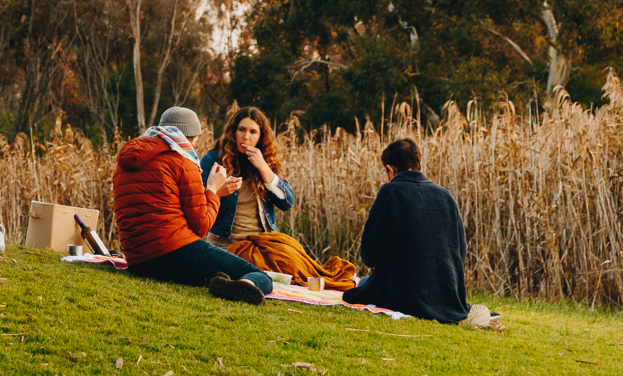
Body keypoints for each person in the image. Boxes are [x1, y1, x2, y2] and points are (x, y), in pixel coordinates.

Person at [112, 105, 274, 306]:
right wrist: (212, 188)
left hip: (138, 261)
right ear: (190, 137)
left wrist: (213, 193)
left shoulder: (123, 163)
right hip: (175, 252)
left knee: (211, 273)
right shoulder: (182, 161)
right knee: (262, 277)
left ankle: (220, 282)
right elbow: (201, 226)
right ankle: (244, 284)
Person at [199, 106, 358, 290]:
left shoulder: (267, 162)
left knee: (293, 258)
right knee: (259, 269)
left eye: (253, 132)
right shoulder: (214, 160)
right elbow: (197, 205)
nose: (246, 137)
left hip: (263, 244)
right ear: (233, 132)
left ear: (261, 137)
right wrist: (218, 192)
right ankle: (241, 282)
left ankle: (237, 281)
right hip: (226, 245)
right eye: (241, 130)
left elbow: (287, 203)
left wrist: (264, 168)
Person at [342, 138, 472, 323]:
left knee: (360, 285)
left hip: (404, 293)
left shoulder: (390, 191)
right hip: (447, 294)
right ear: (419, 165)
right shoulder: (445, 196)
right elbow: (461, 252)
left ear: (390, 169)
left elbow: (370, 255)